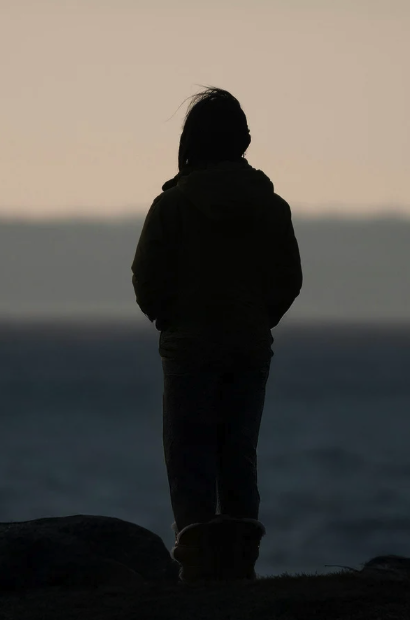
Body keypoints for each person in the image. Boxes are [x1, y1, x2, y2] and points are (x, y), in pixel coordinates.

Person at [132, 87, 302, 582]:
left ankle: (198, 571)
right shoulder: (272, 208)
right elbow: (288, 281)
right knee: (238, 452)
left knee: (188, 455)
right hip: (249, 346)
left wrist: (171, 320)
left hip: (188, 349)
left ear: (192, 140)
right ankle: (239, 568)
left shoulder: (171, 207)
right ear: (242, 140)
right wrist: (257, 319)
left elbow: (147, 281)